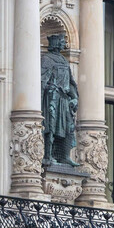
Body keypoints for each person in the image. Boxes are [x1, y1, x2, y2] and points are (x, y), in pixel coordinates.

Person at [41, 33, 79, 166]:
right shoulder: (46, 59)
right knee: (50, 126)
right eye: (62, 42)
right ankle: (48, 155)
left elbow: (71, 83)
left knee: (69, 126)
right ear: (56, 43)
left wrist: (74, 98)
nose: (64, 44)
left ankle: (64, 155)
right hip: (51, 97)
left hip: (63, 99)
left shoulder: (64, 60)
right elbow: (42, 80)